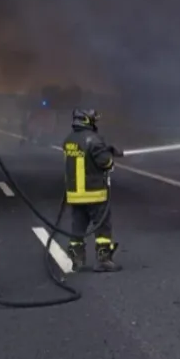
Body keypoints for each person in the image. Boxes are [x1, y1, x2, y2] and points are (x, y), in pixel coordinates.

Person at [62, 108, 124, 272]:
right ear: (86, 120)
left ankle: (77, 259)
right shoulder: (94, 140)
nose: (95, 122)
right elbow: (105, 163)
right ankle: (103, 259)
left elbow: (86, 157)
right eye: (93, 119)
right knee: (102, 226)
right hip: (94, 193)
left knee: (78, 227)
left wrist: (107, 150)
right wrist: (110, 156)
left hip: (75, 194)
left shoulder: (69, 140)